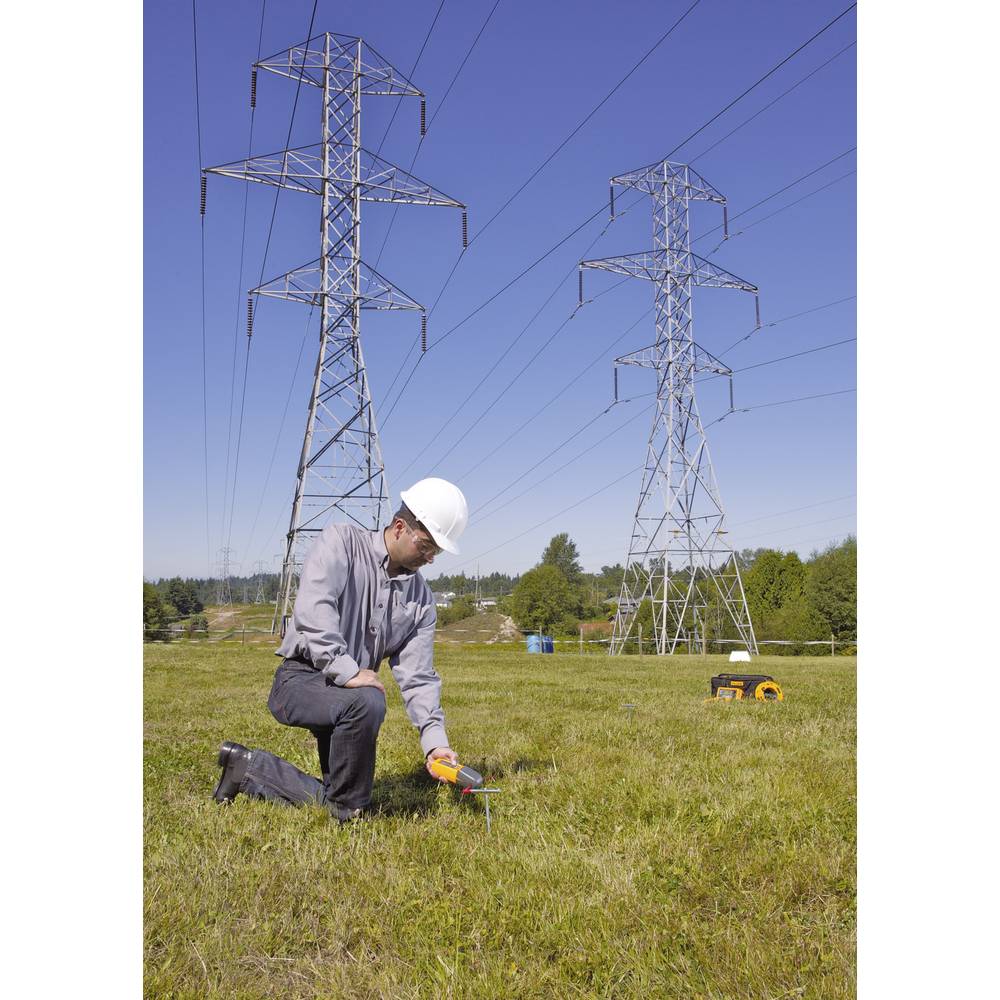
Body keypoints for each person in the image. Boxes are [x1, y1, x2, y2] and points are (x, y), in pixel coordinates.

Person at [211, 477, 469, 823]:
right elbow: (313, 609)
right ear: (399, 527)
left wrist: (435, 742)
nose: (430, 558)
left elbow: (418, 676)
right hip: (301, 679)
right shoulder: (341, 542)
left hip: (350, 698)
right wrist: (346, 670)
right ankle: (349, 811)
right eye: (426, 546)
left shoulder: (421, 601)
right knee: (368, 700)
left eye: (437, 551)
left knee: (338, 796)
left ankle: (247, 768)